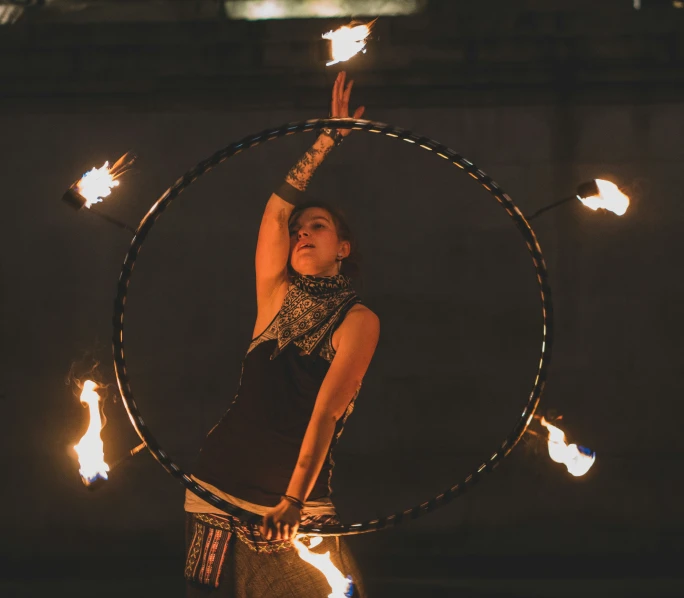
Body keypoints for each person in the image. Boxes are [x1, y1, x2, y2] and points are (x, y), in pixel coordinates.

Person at [184, 72, 380, 598]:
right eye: (300, 229)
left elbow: (325, 414)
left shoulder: (358, 320)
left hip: (294, 501)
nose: (302, 232)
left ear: (343, 248)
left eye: (317, 226)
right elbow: (276, 212)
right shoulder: (274, 296)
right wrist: (327, 139)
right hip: (217, 487)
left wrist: (292, 501)